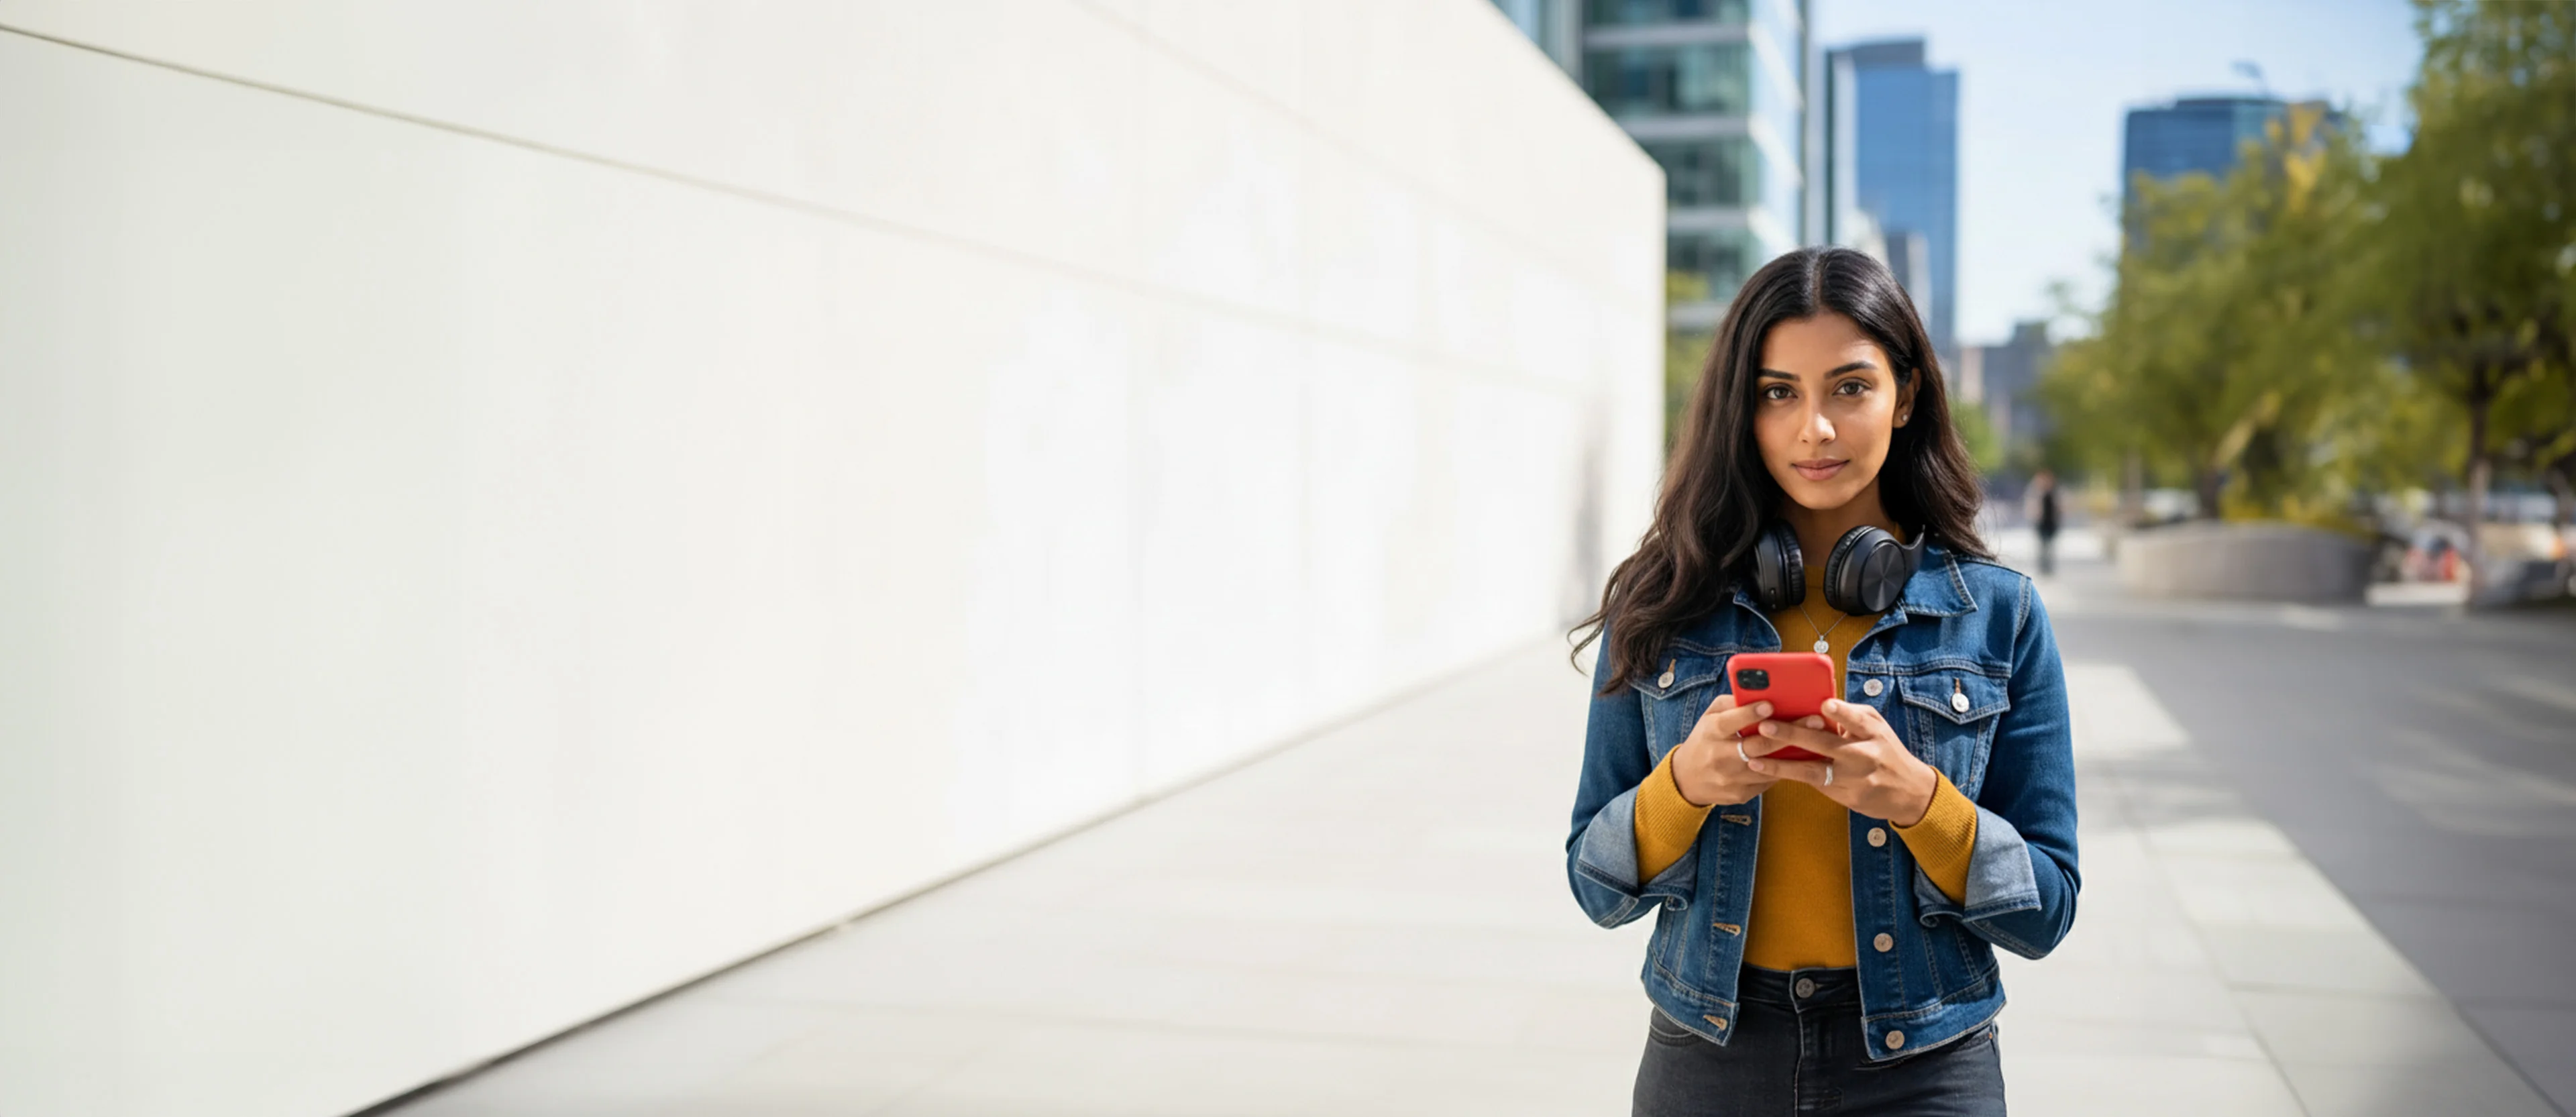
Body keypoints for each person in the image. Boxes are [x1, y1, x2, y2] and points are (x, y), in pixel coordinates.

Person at [1563, 248, 2078, 1116]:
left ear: (1905, 395)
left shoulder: (2002, 616)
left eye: (1849, 387)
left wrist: (1920, 800)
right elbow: (1594, 883)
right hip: (1709, 1057)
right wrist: (1685, 785)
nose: (1816, 429)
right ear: (1744, 407)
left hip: (1927, 1063)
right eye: (1779, 393)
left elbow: (2046, 911)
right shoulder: (1662, 606)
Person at [2025, 470, 2061, 576]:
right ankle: (2043, 567)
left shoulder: (2054, 493)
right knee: (2042, 546)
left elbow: (2059, 508)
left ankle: (2048, 567)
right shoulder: (2037, 493)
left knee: (2049, 546)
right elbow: (2032, 508)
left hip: (2051, 524)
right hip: (2041, 524)